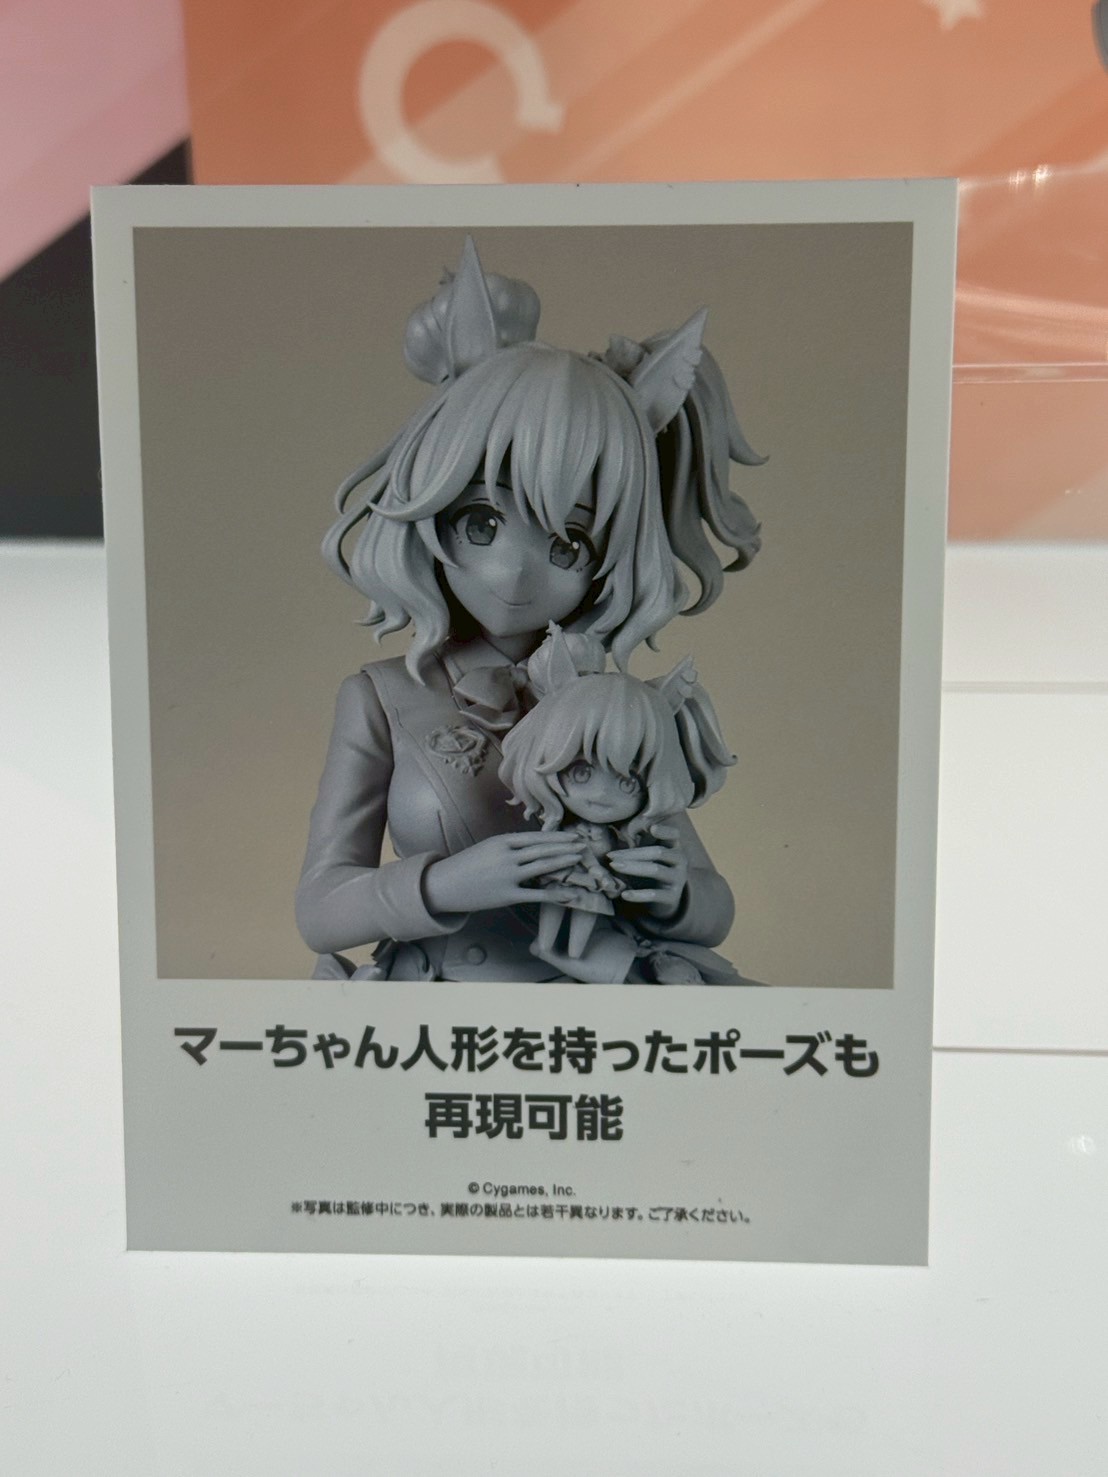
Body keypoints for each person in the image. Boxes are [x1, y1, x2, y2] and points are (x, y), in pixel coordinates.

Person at [295, 238, 762, 982]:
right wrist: (447, 885)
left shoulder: (617, 699)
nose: (515, 570)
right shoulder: (383, 697)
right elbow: (320, 908)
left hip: (586, 1008)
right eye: (482, 523)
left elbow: (714, 906)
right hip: (446, 1006)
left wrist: (672, 892)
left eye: (570, 542)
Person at [497, 627, 737, 979]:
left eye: (627, 783)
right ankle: (552, 948)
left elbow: (715, 910)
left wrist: (677, 895)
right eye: (582, 773)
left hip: (606, 933)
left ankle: (568, 953)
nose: (602, 795)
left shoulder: (648, 812)